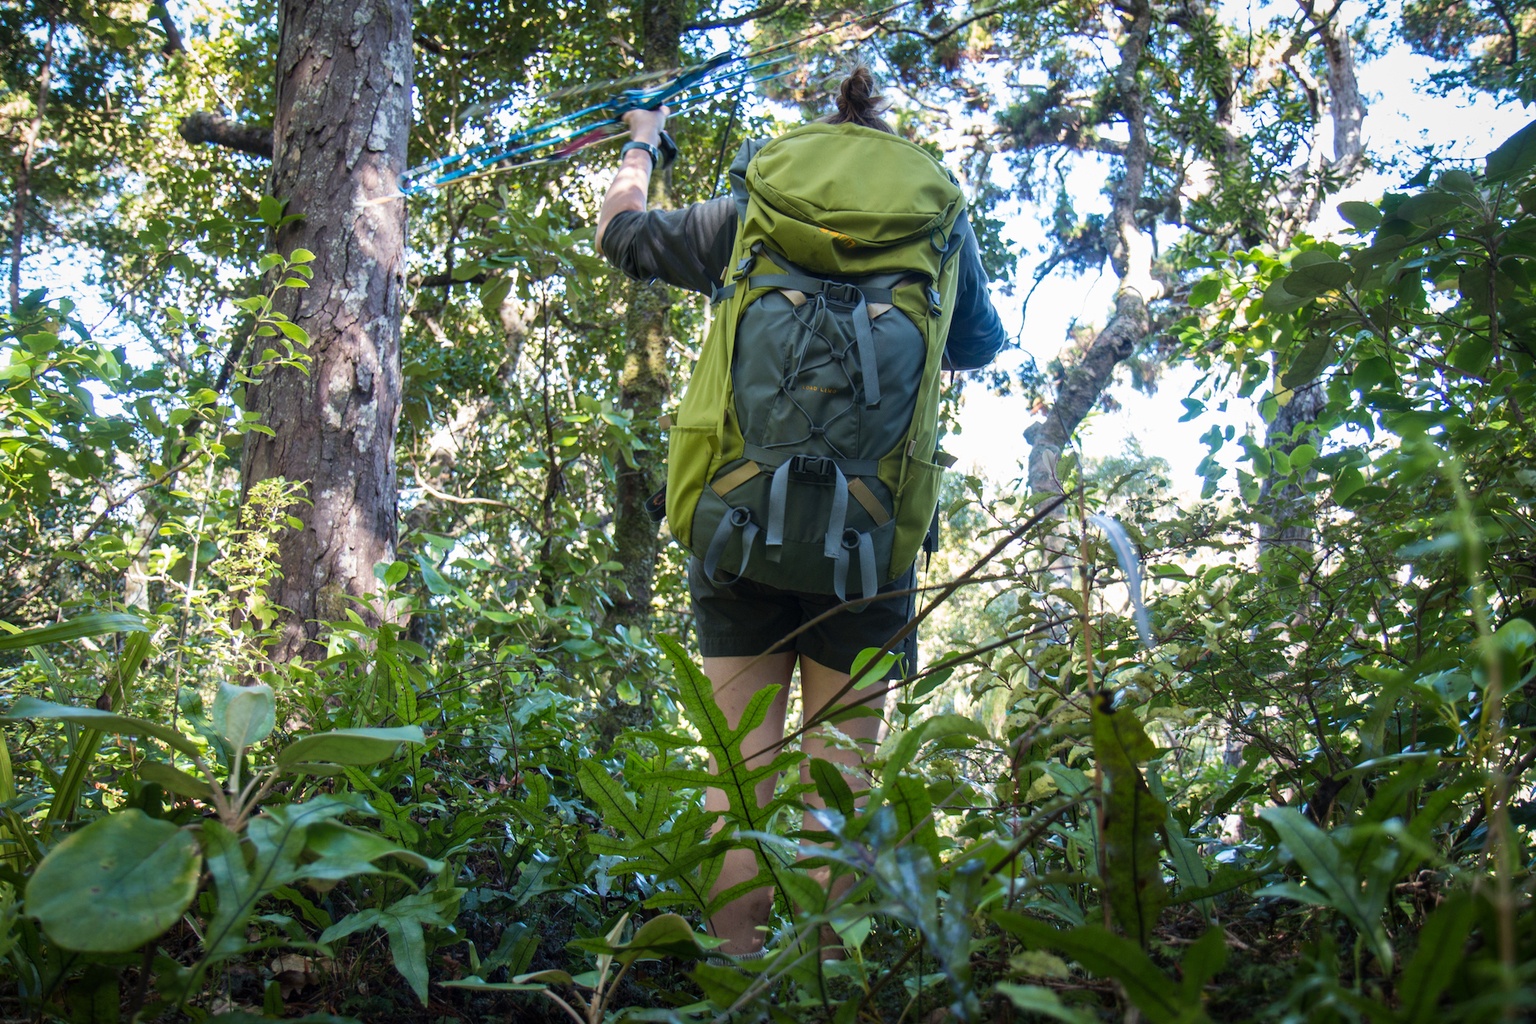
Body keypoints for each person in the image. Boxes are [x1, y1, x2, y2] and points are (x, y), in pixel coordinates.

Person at [595, 64, 1005, 956]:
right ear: (886, 132)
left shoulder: (757, 202)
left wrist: (640, 141)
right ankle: (819, 983)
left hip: (737, 527)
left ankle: (734, 978)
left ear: (825, 126)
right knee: (840, 778)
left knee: (739, 771)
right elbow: (976, 342)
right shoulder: (938, 219)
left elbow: (622, 235)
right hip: (871, 540)